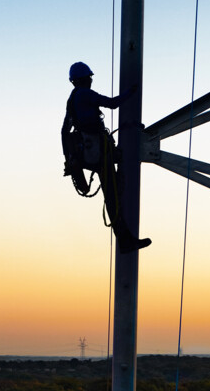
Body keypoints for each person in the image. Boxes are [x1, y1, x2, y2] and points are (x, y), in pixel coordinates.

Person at [63, 61, 151, 253]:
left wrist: (68, 157)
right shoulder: (85, 94)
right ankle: (126, 240)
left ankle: (125, 239)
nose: (91, 81)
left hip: (89, 153)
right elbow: (112, 104)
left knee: (113, 193)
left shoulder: (72, 100)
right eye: (89, 78)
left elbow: (64, 131)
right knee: (112, 197)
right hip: (100, 152)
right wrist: (131, 92)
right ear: (84, 79)